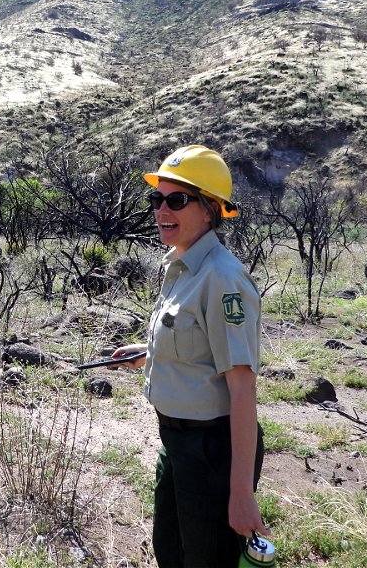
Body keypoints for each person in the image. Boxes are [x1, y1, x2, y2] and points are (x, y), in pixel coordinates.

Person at [109, 144, 268, 568]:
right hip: (176, 442)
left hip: (212, 448)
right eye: (157, 198)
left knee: (207, 559)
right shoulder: (179, 264)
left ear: (210, 209)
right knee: (172, 552)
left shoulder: (223, 279)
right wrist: (149, 353)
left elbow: (242, 389)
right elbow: (198, 347)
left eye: (177, 199)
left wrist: (240, 494)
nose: (162, 209)